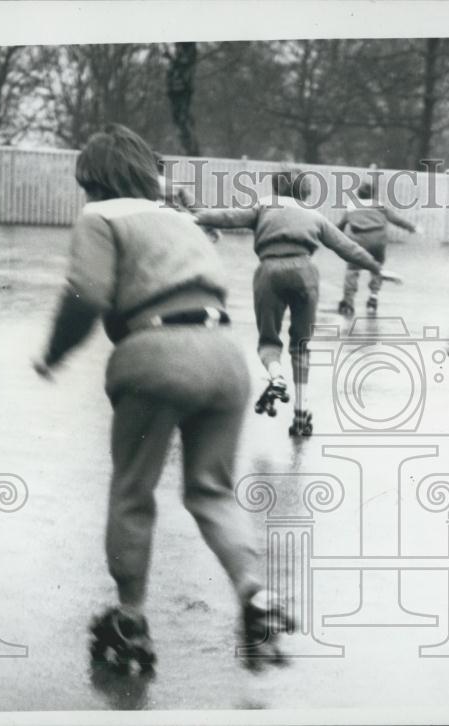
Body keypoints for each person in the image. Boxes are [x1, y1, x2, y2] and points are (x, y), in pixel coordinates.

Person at [33, 124, 289, 674]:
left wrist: (52, 354)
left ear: (94, 181)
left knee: (132, 491)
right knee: (212, 491)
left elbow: (88, 295)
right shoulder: (180, 217)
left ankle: (129, 619)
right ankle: (254, 595)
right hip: (224, 356)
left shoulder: (100, 217)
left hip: (156, 353)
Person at [192, 169, 393, 437]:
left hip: (269, 272)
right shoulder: (314, 215)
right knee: (301, 345)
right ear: (306, 190)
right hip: (305, 272)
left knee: (269, 340)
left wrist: (194, 217)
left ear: (277, 188)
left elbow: (228, 216)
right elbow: (346, 246)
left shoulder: (264, 204)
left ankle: (276, 377)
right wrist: (376, 267)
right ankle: (301, 413)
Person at [336, 180, 421, 318]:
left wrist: (332, 236)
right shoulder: (380, 206)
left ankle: (348, 302)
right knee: (377, 267)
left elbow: (340, 225)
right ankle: (373, 296)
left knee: (352, 269)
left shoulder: (351, 206)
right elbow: (397, 220)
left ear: (358, 194)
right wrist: (413, 228)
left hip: (359, 242)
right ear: (373, 195)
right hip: (378, 241)